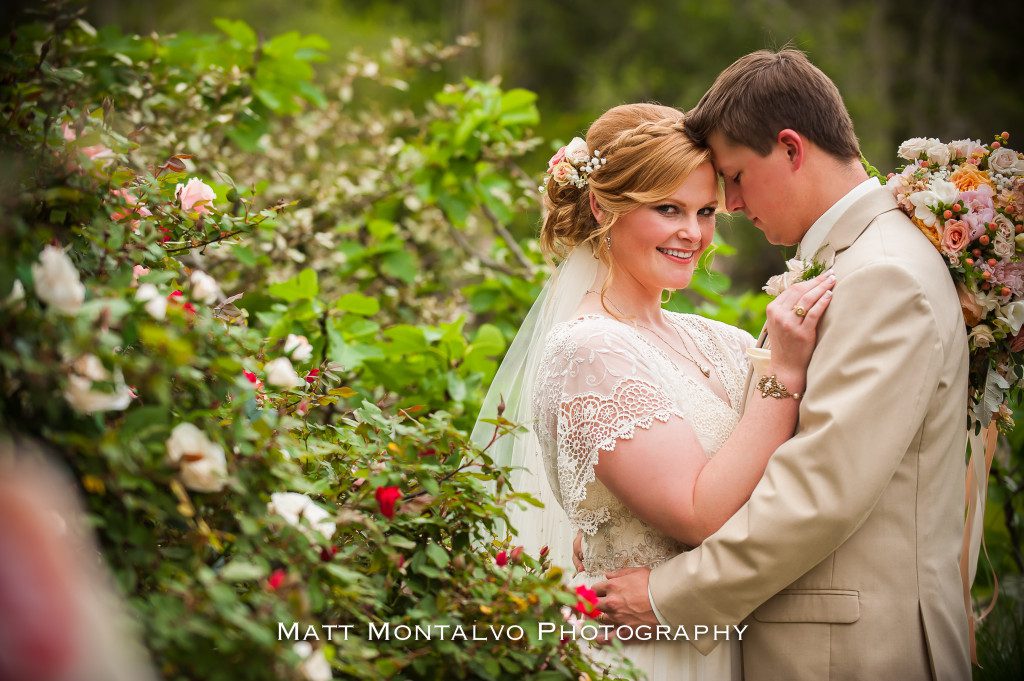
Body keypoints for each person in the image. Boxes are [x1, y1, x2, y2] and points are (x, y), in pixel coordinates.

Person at [592, 50, 971, 681]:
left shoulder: (882, 276)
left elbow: (820, 492)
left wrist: (668, 595)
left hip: (853, 652)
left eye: (734, 177)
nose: (731, 205)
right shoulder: (864, 257)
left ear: (791, 149)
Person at [473, 101, 834, 680]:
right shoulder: (589, 351)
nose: (692, 233)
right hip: (643, 655)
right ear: (601, 205)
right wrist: (783, 375)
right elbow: (697, 515)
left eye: (706, 212)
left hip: (728, 641)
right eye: (668, 209)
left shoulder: (721, 340)